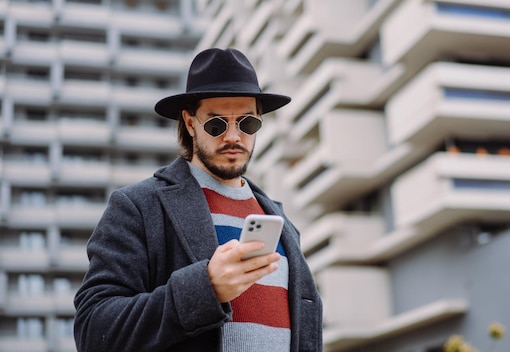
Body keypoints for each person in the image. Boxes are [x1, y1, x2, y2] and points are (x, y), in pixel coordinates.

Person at [73, 48, 323, 352]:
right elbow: (94, 329)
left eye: (247, 123)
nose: (233, 136)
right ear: (190, 124)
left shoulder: (282, 225)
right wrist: (205, 289)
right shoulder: (138, 206)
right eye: (216, 124)